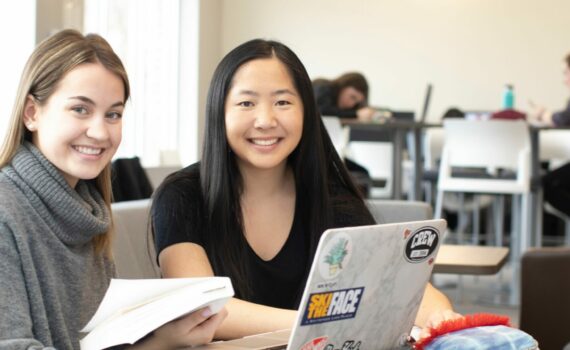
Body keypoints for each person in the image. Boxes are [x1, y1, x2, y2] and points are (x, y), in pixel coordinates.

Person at [151, 38, 460, 341]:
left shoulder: (330, 198)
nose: (265, 120)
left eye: (283, 102)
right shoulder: (181, 196)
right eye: (246, 103)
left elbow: (398, 285)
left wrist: (440, 315)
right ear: (220, 112)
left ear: (306, 113)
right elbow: (202, 310)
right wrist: (320, 322)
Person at [0, 29, 225, 349]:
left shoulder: (89, 216)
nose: (99, 131)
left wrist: (163, 339)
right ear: (32, 113)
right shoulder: (5, 212)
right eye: (80, 109)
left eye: (113, 114)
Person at [312, 72, 379, 121]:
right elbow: (322, 111)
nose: (351, 104)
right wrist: (356, 114)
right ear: (343, 86)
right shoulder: (322, 87)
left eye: (356, 102)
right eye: (352, 97)